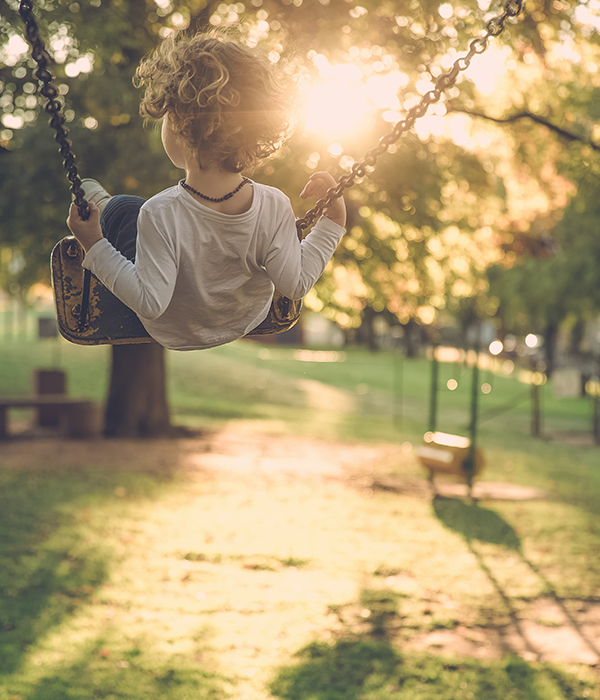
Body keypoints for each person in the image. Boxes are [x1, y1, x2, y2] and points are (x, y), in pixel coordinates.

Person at [67, 30, 346, 351]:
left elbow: (149, 303)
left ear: (181, 124)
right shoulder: (274, 205)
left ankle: (102, 206)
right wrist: (332, 223)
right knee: (134, 213)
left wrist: (93, 244)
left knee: (123, 209)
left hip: (173, 328)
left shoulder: (158, 213)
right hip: (243, 320)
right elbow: (295, 284)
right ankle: (104, 205)